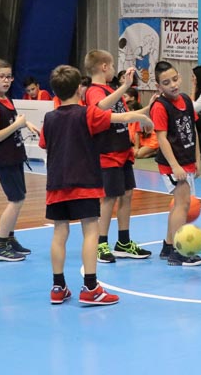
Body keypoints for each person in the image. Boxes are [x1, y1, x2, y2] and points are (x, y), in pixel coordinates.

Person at [40, 65, 153, 306]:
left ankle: (57, 287)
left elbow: (44, 144)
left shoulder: (49, 118)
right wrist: (142, 117)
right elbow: (120, 117)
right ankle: (90, 287)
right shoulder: (87, 114)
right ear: (80, 90)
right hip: (84, 181)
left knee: (59, 233)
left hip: (56, 183)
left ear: (55, 91)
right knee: (90, 231)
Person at [84, 50, 152, 263]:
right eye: (112, 65)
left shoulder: (111, 90)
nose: (113, 69)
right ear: (104, 66)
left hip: (123, 151)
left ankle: (123, 242)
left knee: (127, 195)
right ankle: (101, 243)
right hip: (108, 152)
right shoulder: (94, 91)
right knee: (108, 198)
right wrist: (124, 86)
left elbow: (126, 115)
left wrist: (150, 107)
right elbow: (99, 108)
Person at [0, 58, 39, 262]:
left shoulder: (6, 100)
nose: (6, 80)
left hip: (15, 155)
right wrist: (17, 125)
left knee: (19, 198)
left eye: (9, 77)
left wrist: (26, 124)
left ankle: (9, 238)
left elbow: (11, 122)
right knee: (15, 200)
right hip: (4, 159)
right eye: (1, 77)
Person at [150, 60, 201, 267]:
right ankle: (178, 252)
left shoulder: (186, 100)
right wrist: (175, 166)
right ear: (158, 86)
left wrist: (197, 157)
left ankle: (168, 245)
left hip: (187, 159)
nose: (172, 85)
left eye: (174, 79)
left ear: (179, 77)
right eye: (166, 83)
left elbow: (193, 129)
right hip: (173, 164)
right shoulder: (160, 106)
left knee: (179, 205)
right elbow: (162, 139)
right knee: (182, 204)